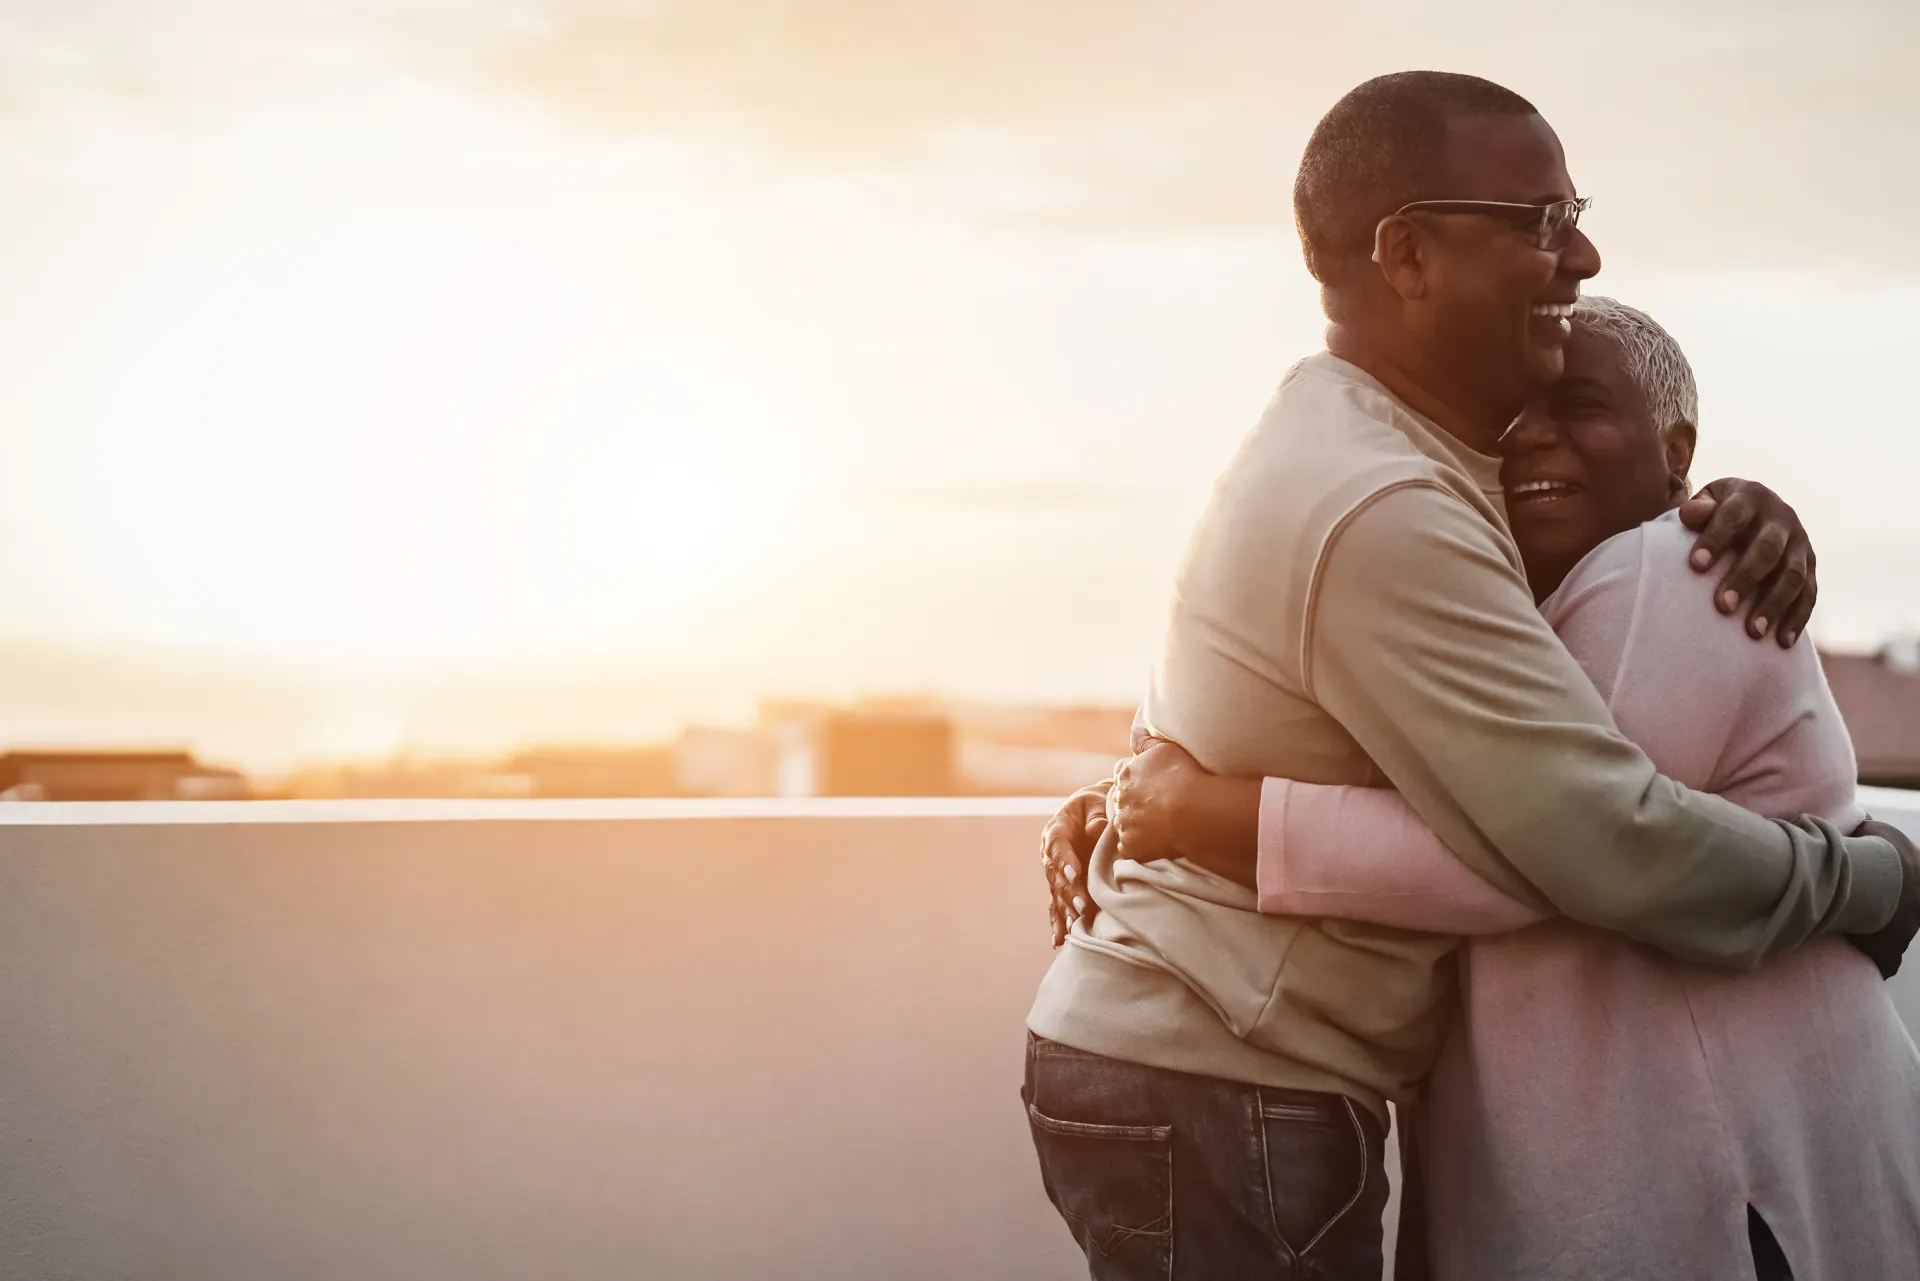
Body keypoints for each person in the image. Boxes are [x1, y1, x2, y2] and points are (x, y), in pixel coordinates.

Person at [1022, 71, 1920, 1281]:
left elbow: (1533, 811)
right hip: (1228, 1071)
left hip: (1230, 1067)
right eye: (1543, 222)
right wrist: (1874, 878)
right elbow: (1596, 847)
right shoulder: (1388, 497)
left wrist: (1207, 809)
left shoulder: (1388, 452)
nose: (1583, 253)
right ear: (1406, 256)